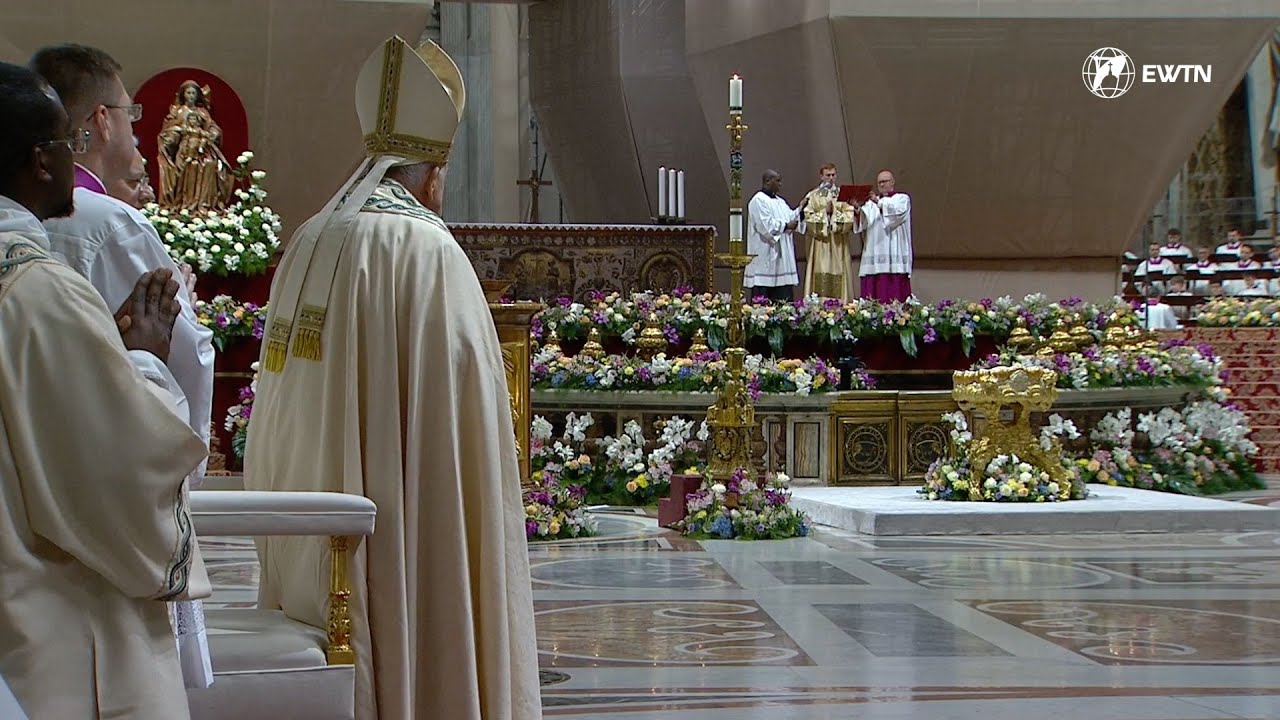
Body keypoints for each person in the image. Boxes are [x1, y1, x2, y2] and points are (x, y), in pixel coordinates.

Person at [243, 36, 541, 720]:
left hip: (312, 545)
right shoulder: (426, 249)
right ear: (433, 171)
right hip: (400, 528)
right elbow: (463, 415)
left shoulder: (312, 236)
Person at [0, 61, 208, 720]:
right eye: (67, 142)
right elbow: (115, 472)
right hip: (51, 636)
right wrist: (142, 359)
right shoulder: (39, 292)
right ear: (40, 160)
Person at [798, 163, 856, 300]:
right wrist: (825, 214)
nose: (831, 178)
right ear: (821, 176)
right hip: (820, 243)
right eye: (827, 175)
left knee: (839, 272)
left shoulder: (843, 194)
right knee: (821, 271)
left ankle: (841, 305)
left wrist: (834, 214)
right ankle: (820, 306)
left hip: (838, 243)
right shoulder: (813, 195)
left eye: (833, 175)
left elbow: (850, 215)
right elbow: (808, 217)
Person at [856, 169, 913, 302]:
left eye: (885, 181)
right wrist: (857, 208)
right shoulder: (871, 203)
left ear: (892, 182)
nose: (882, 185)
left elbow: (897, 214)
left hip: (894, 251)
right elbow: (862, 223)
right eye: (879, 182)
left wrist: (877, 201)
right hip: (875, 251)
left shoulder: (902, 199)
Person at [745, 169, 802, 301]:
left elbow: (791, 217)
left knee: (784, 303)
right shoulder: (758, 200)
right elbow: (765, 226)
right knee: (763, 307)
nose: (780, 184)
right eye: (778, 181)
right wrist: (787, 226)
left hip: (782, 262)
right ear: (768, 181)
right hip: (765, 259)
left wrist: (802, 208)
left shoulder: (780, 202)